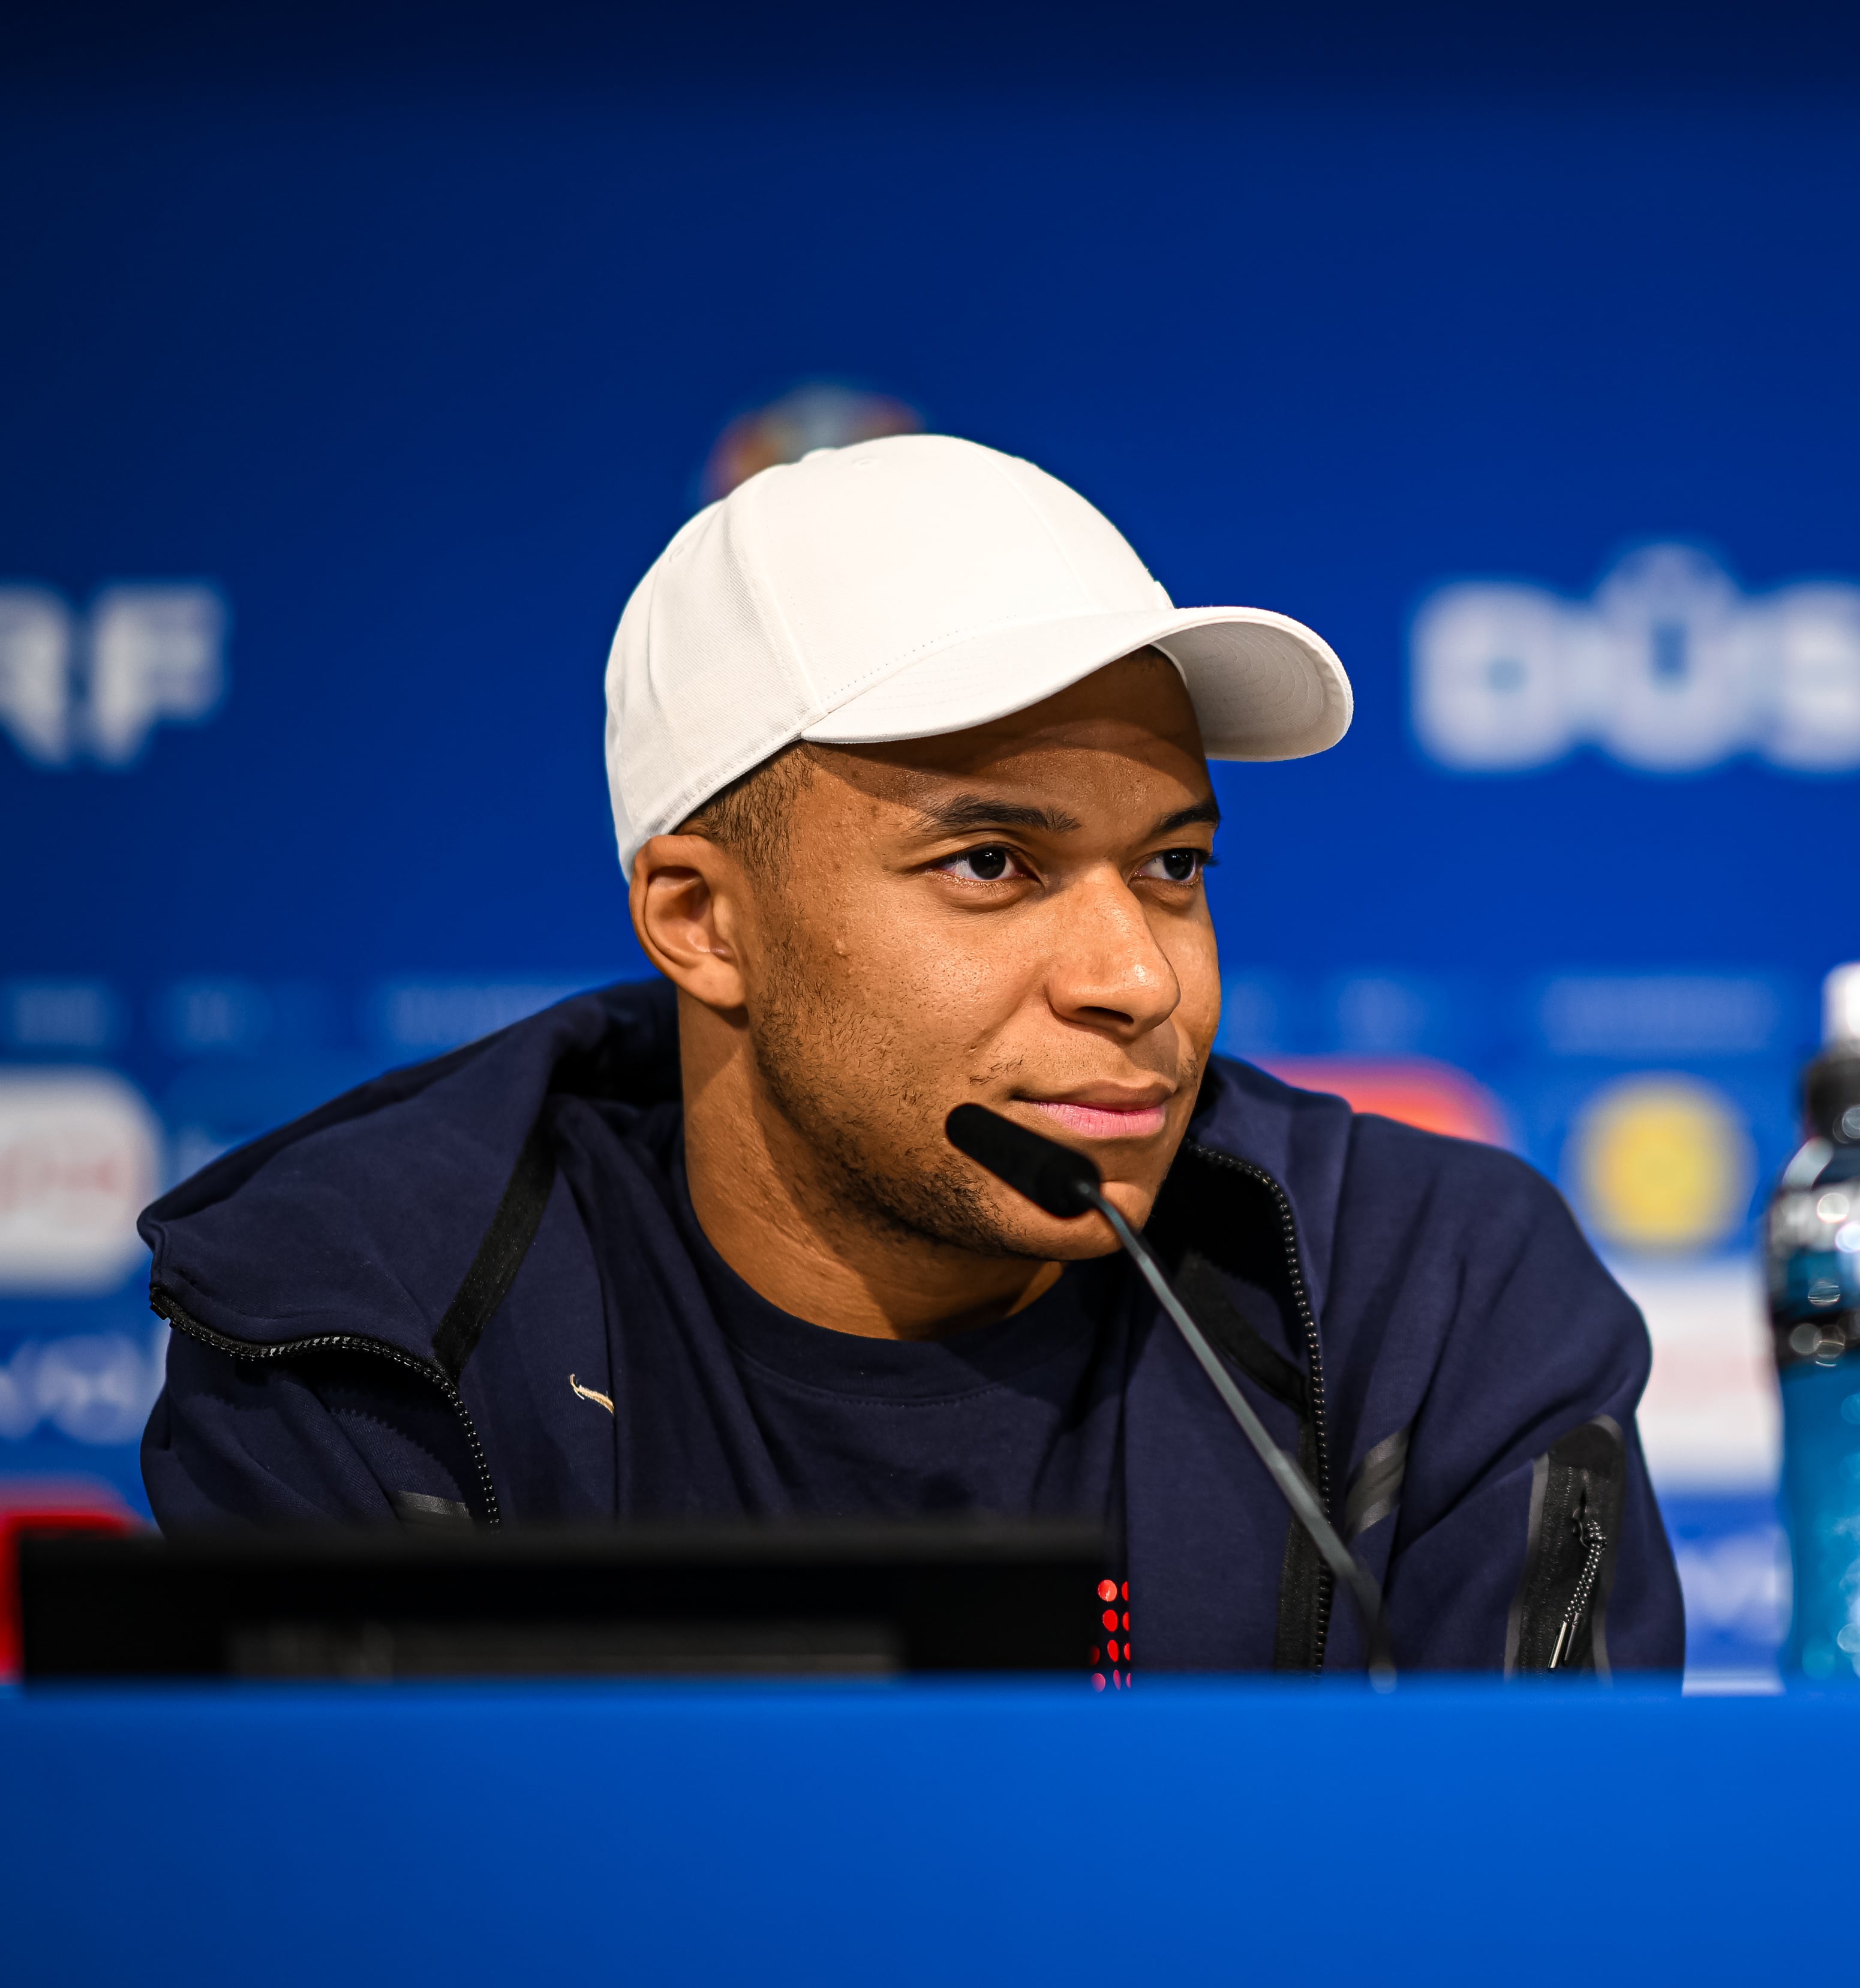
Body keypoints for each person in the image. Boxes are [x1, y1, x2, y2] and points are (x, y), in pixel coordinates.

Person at [137, 435, 1682, 1677]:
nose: (1137, 979)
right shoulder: (364, 1320)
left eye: (1173, 867)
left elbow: (1559, 1897)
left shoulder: (1427, 1289)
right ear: (702, 920)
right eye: (992, 866)